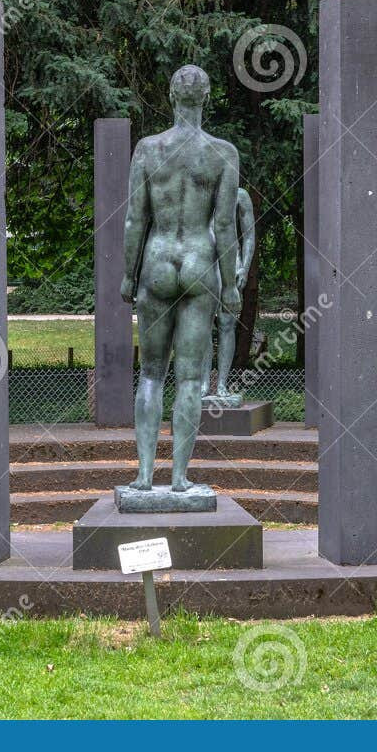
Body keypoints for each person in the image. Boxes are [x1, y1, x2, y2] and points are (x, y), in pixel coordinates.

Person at [120, 65, 240, 494]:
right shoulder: (223, 153)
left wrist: (127, 276)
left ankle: (144, 475)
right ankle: (180, 478)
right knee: (191, 379)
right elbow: (224, 226)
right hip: (200, 263)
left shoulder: (149, 149)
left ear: (172, 97)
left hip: (156, 261)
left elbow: (136, 219)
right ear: (206, 97)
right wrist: (231, 284)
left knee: (151, 375)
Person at [204, 187, 256, 400]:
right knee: (202, 326)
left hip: (230, 264)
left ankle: (222, 384)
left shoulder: (239, 195)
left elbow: (250, 235)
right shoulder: (201, 193)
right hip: (204, 262)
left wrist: (245, 266)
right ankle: (204, 383)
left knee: (227, 325)